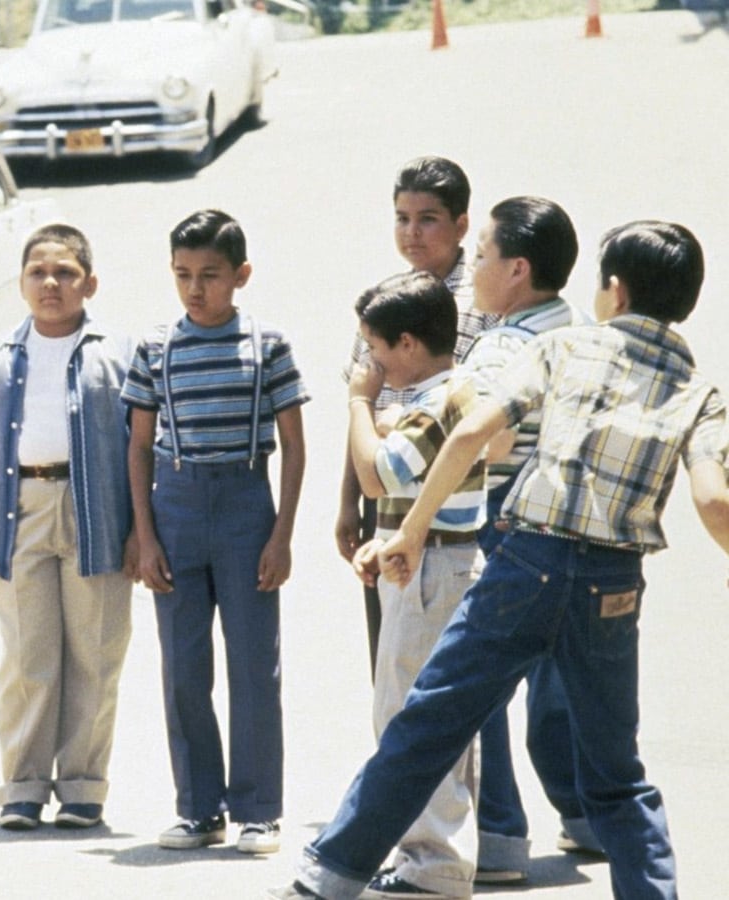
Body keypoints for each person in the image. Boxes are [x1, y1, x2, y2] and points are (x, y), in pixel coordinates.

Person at [267, 220, 729, 900]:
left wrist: (411, 532)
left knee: (428, 726)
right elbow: (714, 499)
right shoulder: (698, 392)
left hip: (526, 564)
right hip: (612, 586)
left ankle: (326, 881)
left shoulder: (563, 348)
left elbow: (473, 433)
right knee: (616, 777)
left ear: (616, 290)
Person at [124, 210, 308, 855]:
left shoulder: (267, 345)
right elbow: (138, 446)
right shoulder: (156, 348)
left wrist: (281, 535)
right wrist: (146, 537)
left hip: (244, 502)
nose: (195, 289)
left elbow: (294, 445)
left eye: (210, 275)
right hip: (176, 504)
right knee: (183, 666)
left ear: (241, 275)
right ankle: (200, 808)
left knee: (254, 663)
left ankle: (258, 810)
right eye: (183, 275)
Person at [0, 224, 135, 831]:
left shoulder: (117, 353)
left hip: (97, 513)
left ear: (90, 283)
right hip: (19, 510)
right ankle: (23, 787)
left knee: (96, 652)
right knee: (28, 655)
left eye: (65, 273)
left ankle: (83, 786)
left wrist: (140, 531)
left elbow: (143, 445)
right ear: (21, 283)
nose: (51, 283)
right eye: (38, 272)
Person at [456, 196, 599, 882]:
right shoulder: (582, 330)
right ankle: (587, 813)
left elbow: (490, 441)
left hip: (502, 518)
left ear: (517, 268)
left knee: (478, 683)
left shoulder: (504, 345)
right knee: (561, 676)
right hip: (573, 515)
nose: (472, 270)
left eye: (481, 256)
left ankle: (498, 835)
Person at [345, 271, 485, 900]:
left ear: (406, 344)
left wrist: (359, 402)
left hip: (433, 572)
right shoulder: (448, 392)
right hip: (429, 562)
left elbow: (378, 475)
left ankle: (434, 865)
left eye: (376, 349)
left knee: (409, 716)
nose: (371, 364)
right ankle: (433, 858)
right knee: (430, 715)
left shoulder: (436, 400)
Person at [335, 157, 497, 679]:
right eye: (402, 218)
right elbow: (361, 401)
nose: (412, 233)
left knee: (457, 672)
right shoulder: (383, 303)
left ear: (461, 225)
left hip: (452, 505)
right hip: (385, 491)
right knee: (393, 656)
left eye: (427, 219)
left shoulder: (483, 302)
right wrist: (349, 502)